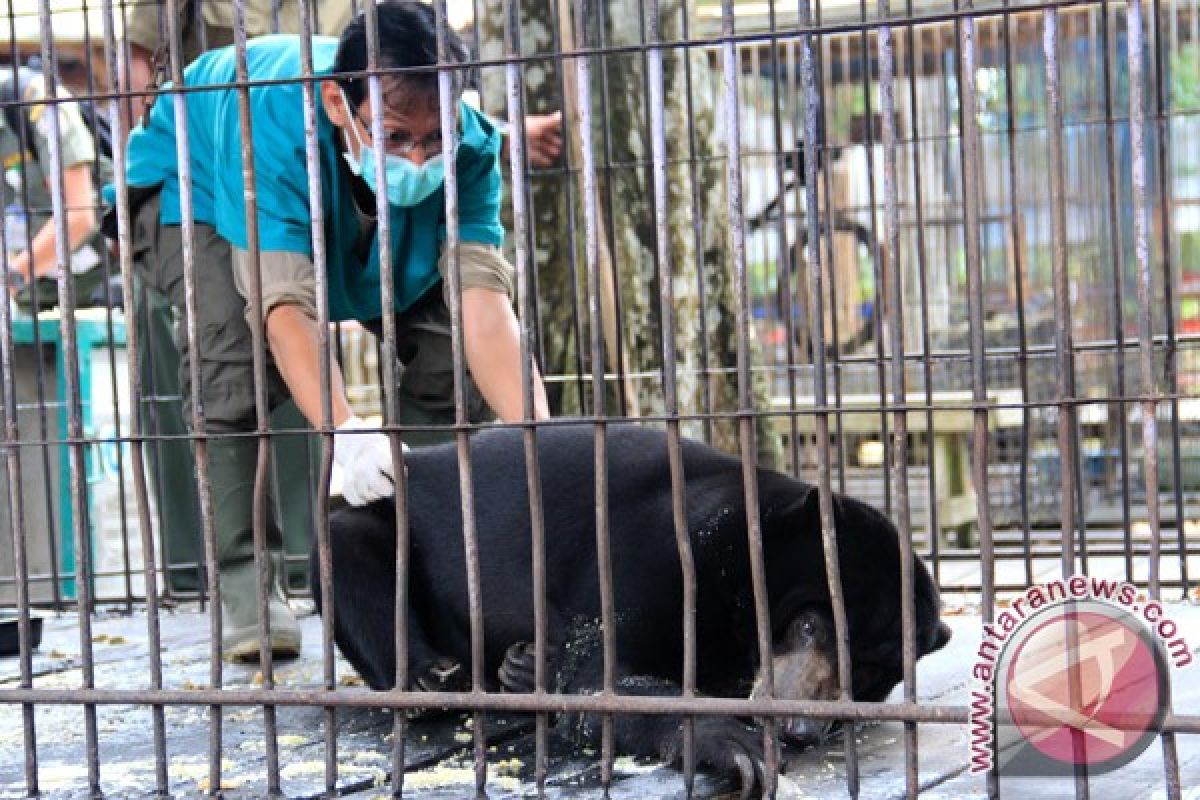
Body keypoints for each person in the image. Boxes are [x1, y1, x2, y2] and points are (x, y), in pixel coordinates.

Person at [111, 0, 551, 661]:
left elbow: (484, 310)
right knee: (232, 347)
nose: (419, 157)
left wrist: (545, 447)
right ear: (338, 104)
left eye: (437, 138)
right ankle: (247, 582)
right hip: (194, 184)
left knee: (448, 349)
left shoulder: (474, 145)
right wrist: (346, 432)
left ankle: (415, 537)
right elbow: (285, 305)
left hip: (361, 224)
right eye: (397, 136)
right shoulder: (274, 122)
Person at [0, 64, 107, 311]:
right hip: (35, 289)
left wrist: (13, 277)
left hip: (103, 273)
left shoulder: (37, 100)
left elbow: (80, 216)